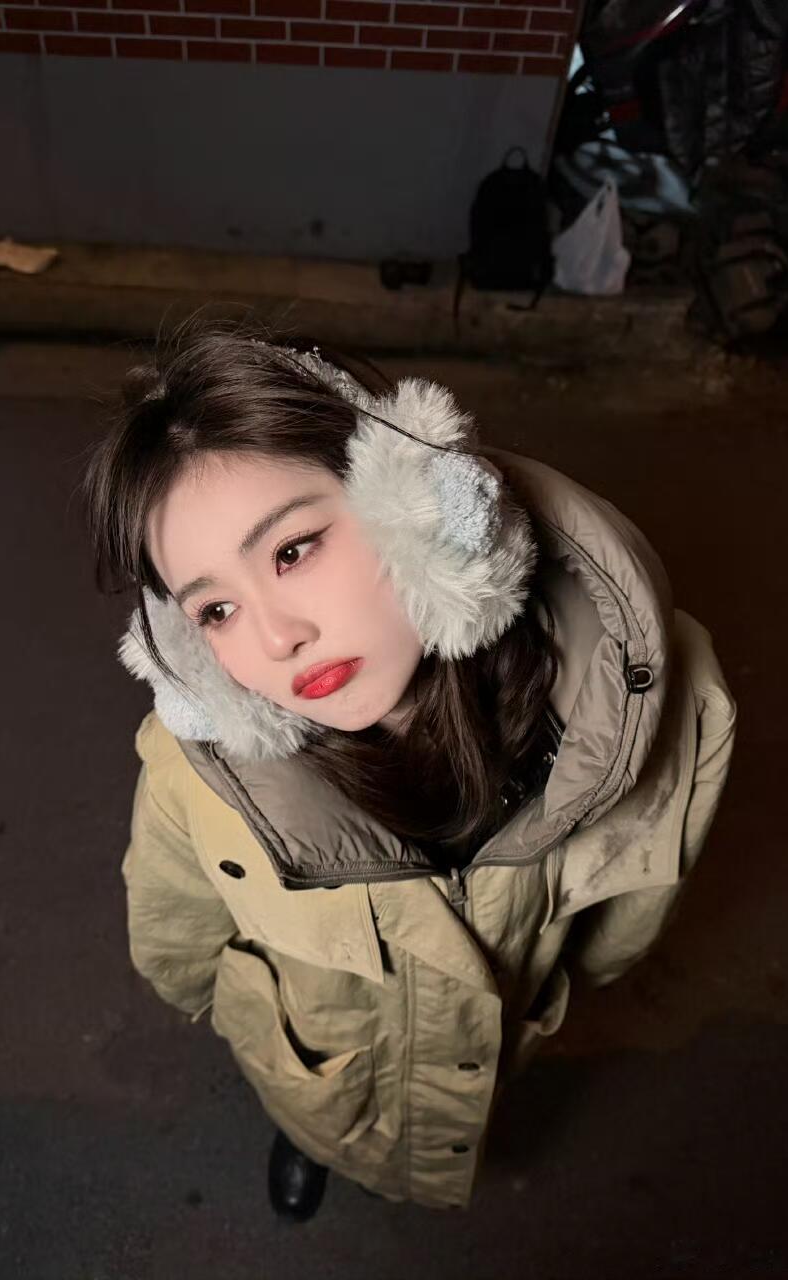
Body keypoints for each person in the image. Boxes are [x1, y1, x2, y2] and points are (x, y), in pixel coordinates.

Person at [82, 316, 736, 1221]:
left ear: (416, 501)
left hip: (490, 1048)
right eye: (216, 611)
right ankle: (311, 1140)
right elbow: (177, 945)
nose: (277, 637)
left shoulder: (659, 703)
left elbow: (624, 927)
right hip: (318, 1071)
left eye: (292, 551)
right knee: (320, 1119)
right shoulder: (194, 777)